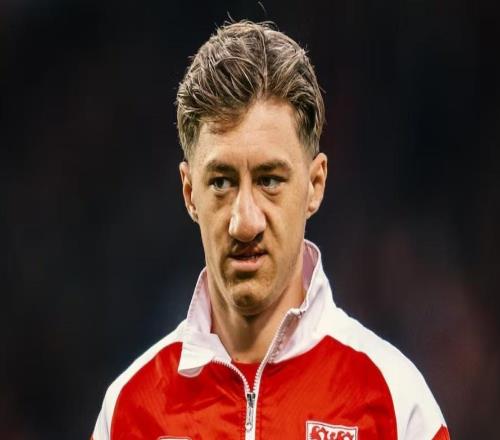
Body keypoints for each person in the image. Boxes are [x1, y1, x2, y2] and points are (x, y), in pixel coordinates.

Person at [92, 20, 450, 439]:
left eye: (269, 180)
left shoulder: (396, 402)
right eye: (221, 182)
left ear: (315, 184)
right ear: (190, 193)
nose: (245, 222)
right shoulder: (129, 410)